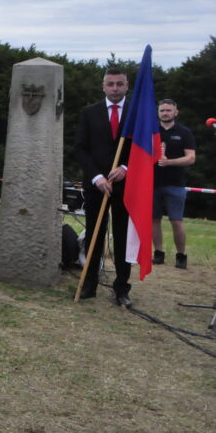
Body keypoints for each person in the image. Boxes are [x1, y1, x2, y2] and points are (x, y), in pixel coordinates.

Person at [74, 66, 133, 306]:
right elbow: (80, 148)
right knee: (95, 235)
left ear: (127, 86)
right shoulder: (90, 112)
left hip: (126, 186)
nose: (115, 88)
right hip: (97, 185)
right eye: (111, 84)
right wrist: (96, 177)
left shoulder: (137, 113)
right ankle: (89, 284)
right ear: (103, 86)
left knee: (122, 238)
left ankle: (121, 288)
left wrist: (126, 168)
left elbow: (145, 149)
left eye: (120, 84)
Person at [152, 99, 196, 269]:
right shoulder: (151, 131)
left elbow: (191, 158)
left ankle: (181, 256)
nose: (165, 113)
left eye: (169, 110)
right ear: (158, 112)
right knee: (154, 220)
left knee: (176, 221)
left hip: (175, 184)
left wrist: (169, 162)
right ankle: (158, 253)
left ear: (176, 112)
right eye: (162, 110)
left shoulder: (184, 132)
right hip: (153, 184)